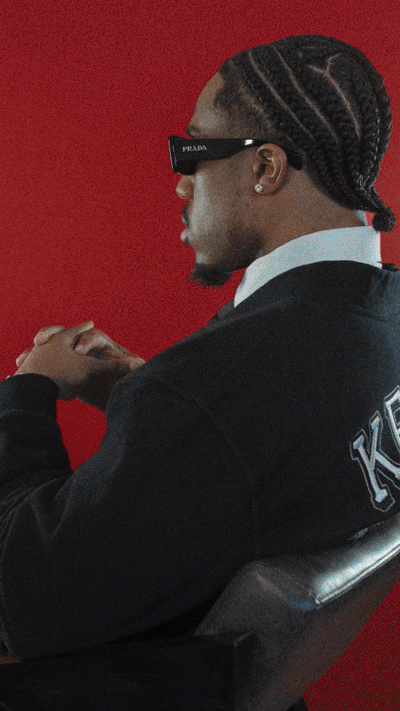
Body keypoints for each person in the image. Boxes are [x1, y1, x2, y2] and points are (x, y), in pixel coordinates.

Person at [0, 37, 399, 703]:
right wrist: (140, 390)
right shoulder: (380, 317)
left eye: (192, 151)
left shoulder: (221, 385)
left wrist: (27, 392)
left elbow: (24, 601)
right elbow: (277, 445)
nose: (181, 182)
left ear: (266, 167)